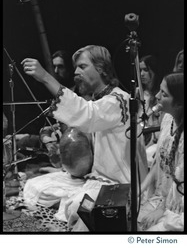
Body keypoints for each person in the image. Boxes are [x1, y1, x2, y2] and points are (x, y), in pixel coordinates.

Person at [21, 45, 148, 231]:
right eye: (75, 68)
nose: (76, 72)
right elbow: (86, 122)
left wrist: (45, 77)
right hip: (95, 179)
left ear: (101, 69)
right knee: (36, 187)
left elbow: (87, 115)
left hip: (120, 185)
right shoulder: (100, 101)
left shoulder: (119, 101)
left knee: (79, 210)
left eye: (82, 66)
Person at [138, 72, 184, 231]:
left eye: (163, 94)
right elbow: (159, 163)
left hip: (177, 207)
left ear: (178, 103)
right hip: (160, 197)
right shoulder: (167, 119)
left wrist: (161, 209)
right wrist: (139, 191)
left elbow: (179, 184)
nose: (157, 96)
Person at [137, 55, 164, 167]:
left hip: (156, 142)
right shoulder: (138, 93)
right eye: (140, 70)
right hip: (141, 138)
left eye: (146, 70)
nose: (142, 74)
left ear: (154, 71)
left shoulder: (161, 94)